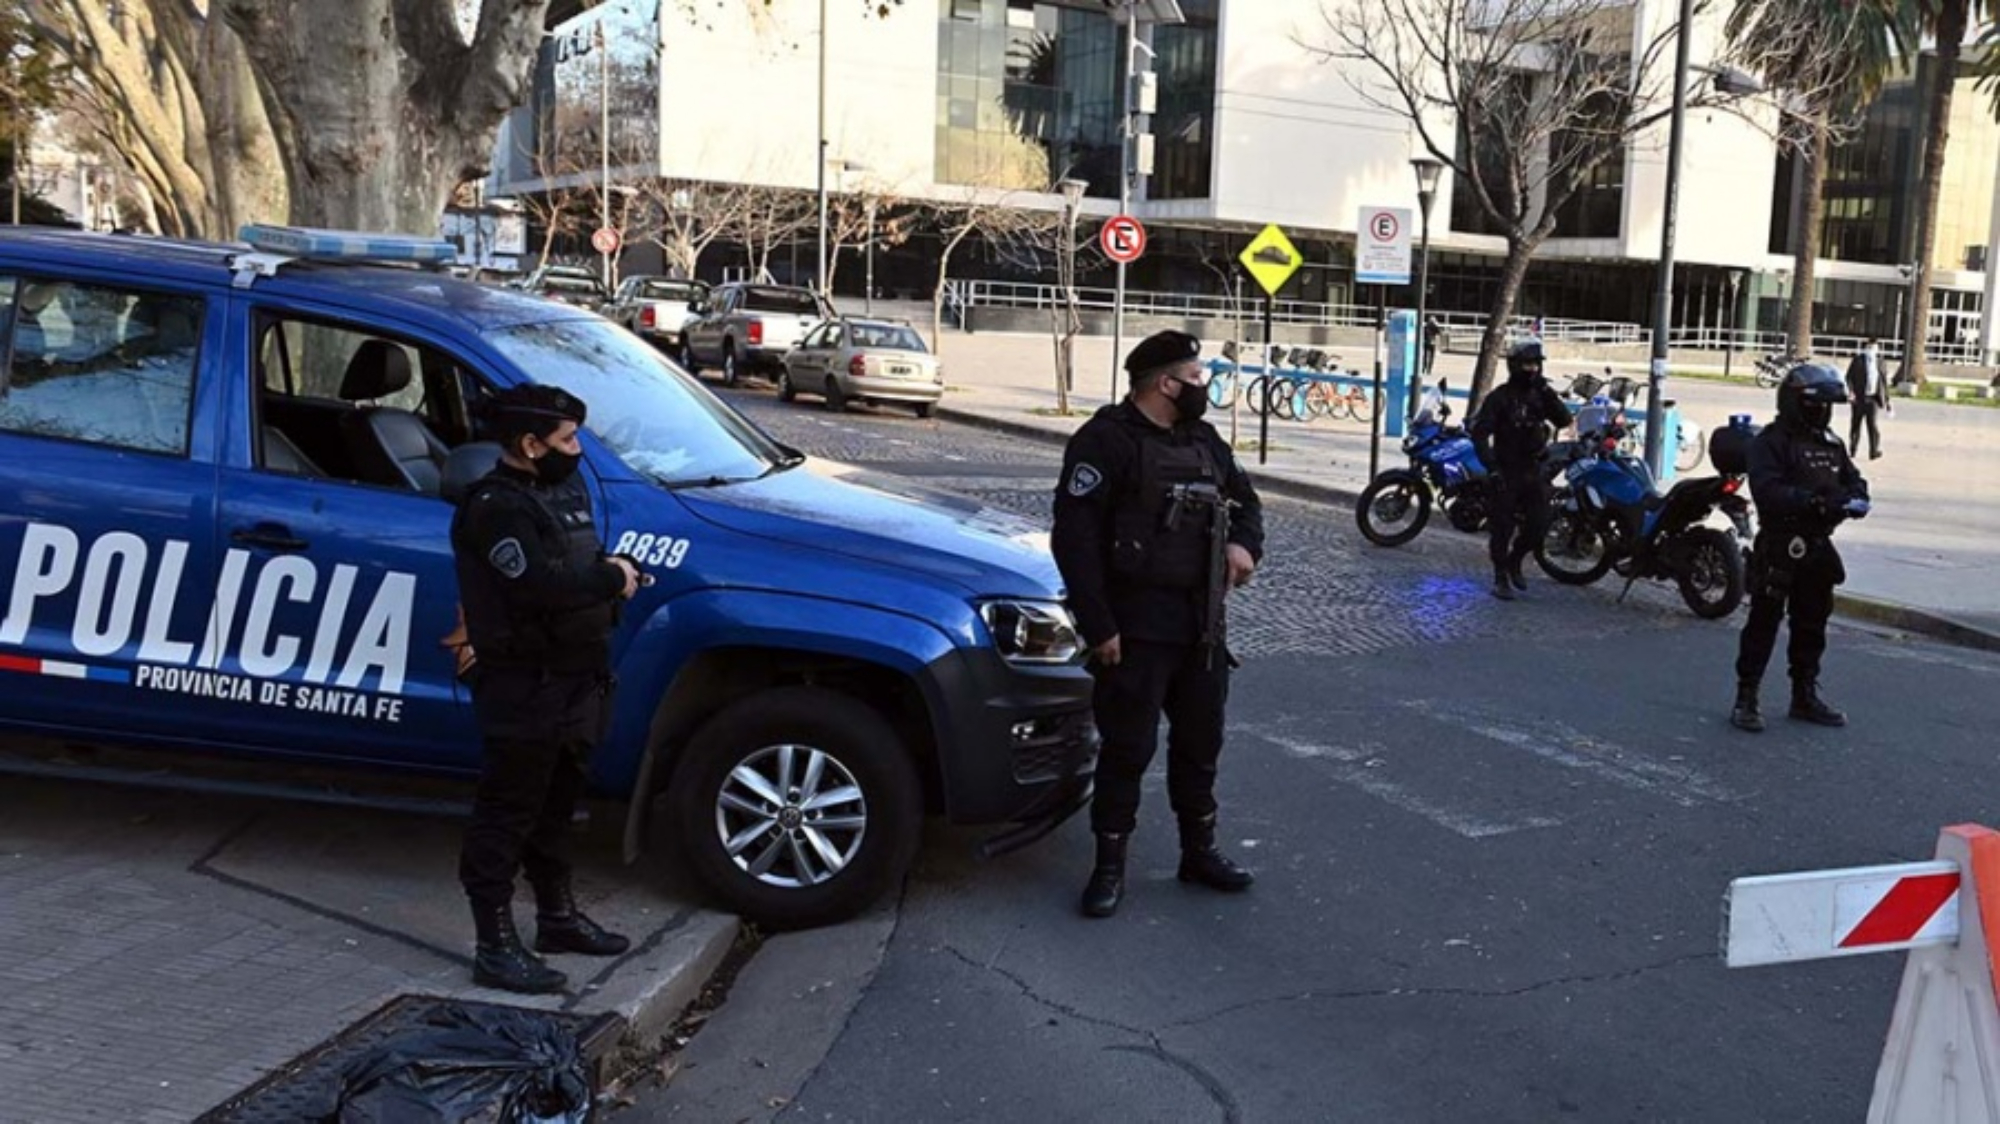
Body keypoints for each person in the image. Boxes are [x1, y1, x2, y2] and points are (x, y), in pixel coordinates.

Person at [1051, 330, 1265, 919]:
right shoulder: (1104, 442)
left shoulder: (1205, 441)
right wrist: (1099, 626)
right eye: (1197, 378)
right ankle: (1109, 868)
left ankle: (1199, 853)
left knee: (1200, 747)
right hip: (1134, 628)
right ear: (1166, 384)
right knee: (1128, 749)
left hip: (1201, 627)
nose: (1206, 387)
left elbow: (1248, 504)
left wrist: (1245, 547)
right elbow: (1074, 539)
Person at [450, 384, 642, 994]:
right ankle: (494, 945)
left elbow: (576, 559)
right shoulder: (494, 508)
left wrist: (606, 571)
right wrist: (613, 577)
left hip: (576, 677)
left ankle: (556, 918)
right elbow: (539, 585)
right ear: (528, 445)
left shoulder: (562, 488)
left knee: (557, 807)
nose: (577, 450)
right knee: (507, 811)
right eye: (565, 440)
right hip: (522, 684)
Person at [1730, 363, 1870, 733]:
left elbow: (1854, 480)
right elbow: (1767, 490)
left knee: (1812, 623)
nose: (1823, 412)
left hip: (1818, 545)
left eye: (1827, 406)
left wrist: (1854, 499)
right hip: (1780, 544)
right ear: (1796, 402)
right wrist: (1811, 501)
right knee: (1764, 622)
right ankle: (1746, 697)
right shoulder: (1770, 442)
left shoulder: (1830, 443)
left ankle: (1803, 694)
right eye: (1816, 405)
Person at [1468, 340, 1573, 601]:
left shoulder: (1540, 393)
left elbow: (1564, 419)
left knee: (1540, 522)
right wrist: (1491, 467)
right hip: (1506, 469)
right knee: (1502, 527)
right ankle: (1500, 575)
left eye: (1536, 364)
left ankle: (1516, 559)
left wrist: (1547, 392)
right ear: (1515, 365)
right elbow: (1480, 435)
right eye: (1527, 364)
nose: (1532, 369)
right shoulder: (1500, 397)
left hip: (1534, 469)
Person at [1844, 338, 1889, 460]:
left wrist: (1887, 401)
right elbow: (1848, 378)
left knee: (1872, 425)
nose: (1872, 349)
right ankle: (1853, 449)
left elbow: (1884, 383)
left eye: (1874, 347)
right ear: (1865, 348)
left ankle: (1873, 451)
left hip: (1873, 399)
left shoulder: (1880, 362)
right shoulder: (1858, 360)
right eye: (1869, 347)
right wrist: (1851, 392)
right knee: (1855, 425)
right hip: (1859, 398)